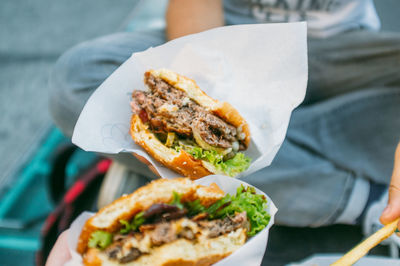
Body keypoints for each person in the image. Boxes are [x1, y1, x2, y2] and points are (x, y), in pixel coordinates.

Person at [49, 0, 400, 246]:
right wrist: (198, 95)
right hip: (223, 45)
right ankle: (361, 198)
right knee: (79, 78)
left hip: (347, 54)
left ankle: (272, 157)